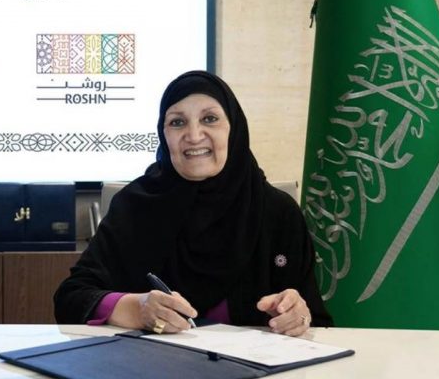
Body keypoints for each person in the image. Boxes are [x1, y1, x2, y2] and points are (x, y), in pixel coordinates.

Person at [54, 71, 332, 337]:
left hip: (256, 369)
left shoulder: (277, 212)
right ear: (164, 134)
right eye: (177, 122)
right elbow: (71, 297)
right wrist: (134, 309)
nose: (194, 135)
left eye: (210, 119)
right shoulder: (134, 206)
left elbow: (314, 319)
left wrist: (299, 316)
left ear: (234, 129)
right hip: (151, 367)